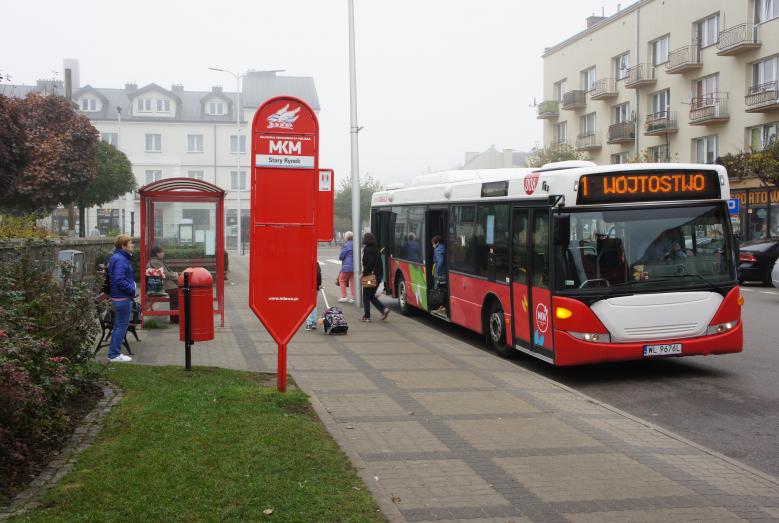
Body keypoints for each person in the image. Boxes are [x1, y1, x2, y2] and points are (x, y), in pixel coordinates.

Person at [107, 234, 136, 362]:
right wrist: (132, 290)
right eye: (130, 243)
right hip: (122, 298)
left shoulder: (117, 257)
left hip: (118, 297)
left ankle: (112, 353)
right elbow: (119, 280)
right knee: (122, 326)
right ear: (123, 246)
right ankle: (114, 354)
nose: (132, 245)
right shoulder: (120, 259)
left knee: (118, 326)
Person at [361, 232, 389, 322]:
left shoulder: (368, 250)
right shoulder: (376, 249)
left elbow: (369, 264)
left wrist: (363, 273)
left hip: (370, 276)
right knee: (371, 296)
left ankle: (367, 316)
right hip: (378, 275)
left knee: (366, 296)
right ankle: (383, 309)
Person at [148, 245, 180, 324]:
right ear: (157, 253)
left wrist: (175, 274)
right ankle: (175, 319)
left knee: (177, 294)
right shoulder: (155, 262)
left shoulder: (157, 261)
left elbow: (165, 272)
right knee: (176, 294)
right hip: (164, 285)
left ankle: (175, 318)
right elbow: (165, 274)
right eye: (162, 252)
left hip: (165, 283)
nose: (163, 253)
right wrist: (175, 275)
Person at [338, 231, 356, 303]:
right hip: (355, 266)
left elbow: (341, 256)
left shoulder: (345, 245)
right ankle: (354, 297)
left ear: (346, 237)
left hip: (347, 266)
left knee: (341, 280)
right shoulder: (355, 245)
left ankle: (344, 296)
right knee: (353, 282)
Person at [431, 235, 447, 315]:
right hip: (445, 273)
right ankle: (442, 307)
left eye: (433, 243)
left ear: (437, 242)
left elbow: (440, 261)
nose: (432, 245)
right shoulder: (443, 247)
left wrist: (437, 272)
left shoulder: (438, 250)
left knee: (441, 290)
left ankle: (443, 307)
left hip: (441, 274)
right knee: (444, 289)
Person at [305, 262, 322, 331]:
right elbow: (319, 275)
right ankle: (313, 322)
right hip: (315, 287)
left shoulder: (305, 263)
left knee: (308, 304)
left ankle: (309, 323)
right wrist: (319, 284)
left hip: (307, 286)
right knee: (314, 304)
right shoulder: (316, 264)